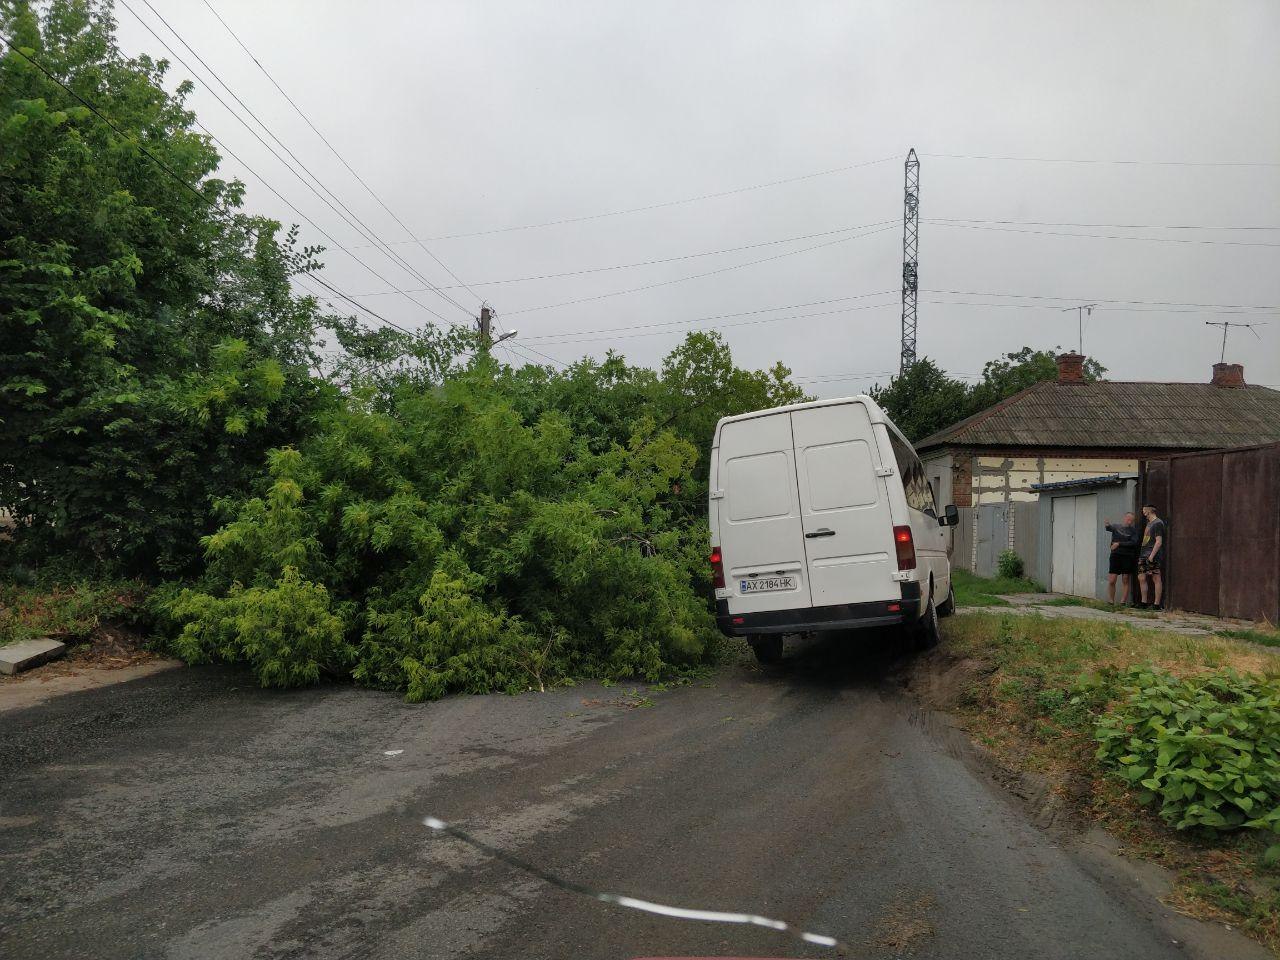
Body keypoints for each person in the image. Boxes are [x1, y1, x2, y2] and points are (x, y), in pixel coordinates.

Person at [1104, 512, 1138, 605]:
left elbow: (1133, 543)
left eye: (1131, 520)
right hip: (1115, 555)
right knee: (1112, 580)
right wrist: (1107, 524)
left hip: (1127, 556)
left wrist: (1119, 544)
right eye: (1128, 519)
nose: (1129, 521)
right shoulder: (1116, 527)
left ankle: (1123, 602)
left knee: (1125, 579)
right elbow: (1108, 528)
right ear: (1124, 518)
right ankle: (1111, 600)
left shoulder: (1133, 531)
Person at [1136, 504, 1166, 610]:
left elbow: (1159, 541)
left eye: (1144, 510)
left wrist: (1151, 556)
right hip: (1143, 554)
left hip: (1152, 554)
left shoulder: (1158, 523)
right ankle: (1144, 602)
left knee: (1156, 577)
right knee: (1141, 577)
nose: (1143, 512)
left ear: (1149, 511)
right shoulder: (1149, 523)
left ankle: (1156, 604)